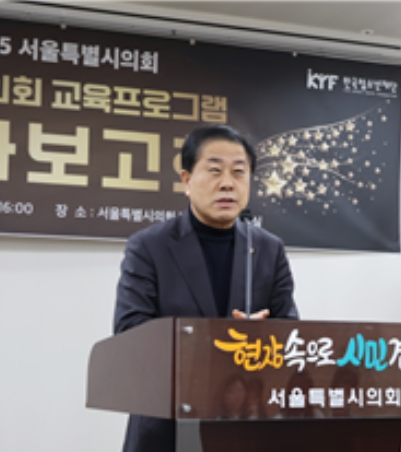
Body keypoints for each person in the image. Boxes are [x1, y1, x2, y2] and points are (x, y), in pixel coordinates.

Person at [113, 124, 299, 452]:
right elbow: (130, 332)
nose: (227, 183)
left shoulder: (269, 249)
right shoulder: (149, 246)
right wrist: (223, 342)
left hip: (245, 427)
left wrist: (264, 338)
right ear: (187, 180)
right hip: (166, 428)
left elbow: (290, 333)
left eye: (239, 172)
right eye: (215, 170)